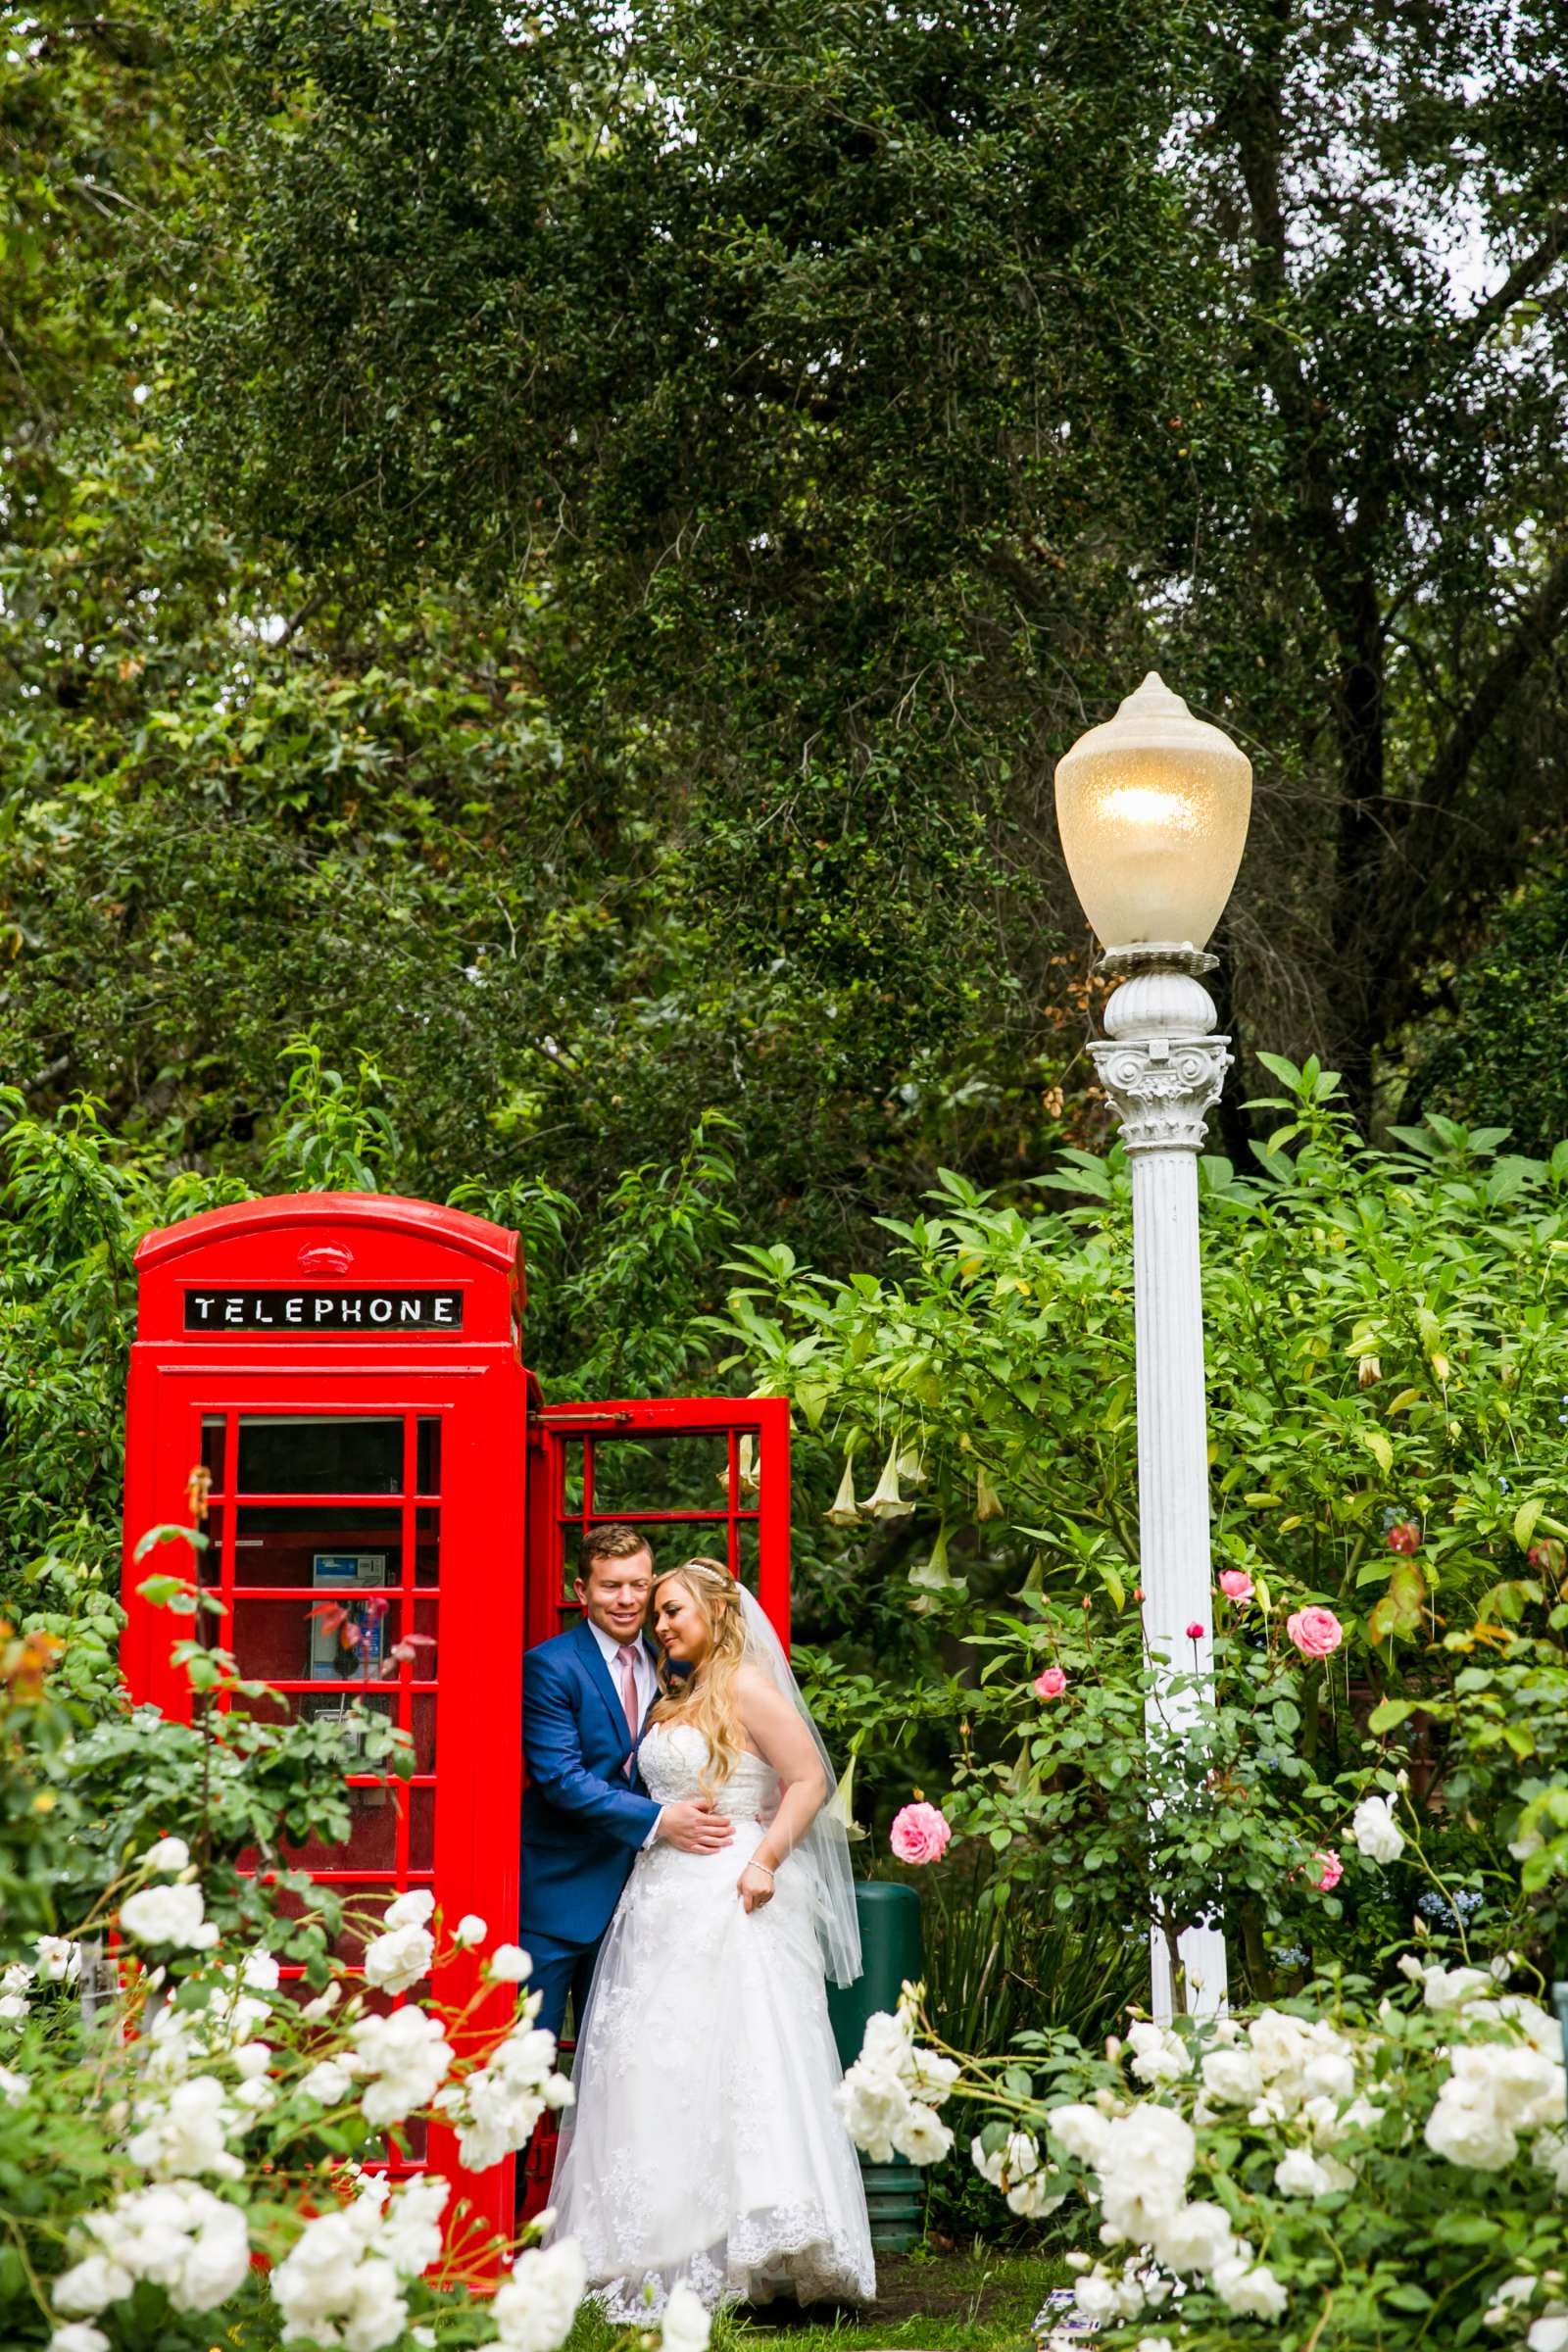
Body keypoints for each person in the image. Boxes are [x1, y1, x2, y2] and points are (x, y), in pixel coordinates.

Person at [548, 1555, 875, 2317]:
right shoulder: (680, 1692)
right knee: (659, 2072)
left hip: (732, 1894)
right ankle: (656, 2246)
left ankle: (764, 2251)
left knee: (743, 2065)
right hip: (657, 1902)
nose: (659, 1623)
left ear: (717, 1615)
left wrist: (764, 1859)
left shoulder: (747, 1685)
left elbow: (808, 1780)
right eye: (656, 1612)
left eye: (673, 1610)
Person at [519, 1525, 735, 2041]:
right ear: (581, 1591)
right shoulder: (550, 1667)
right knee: (529, 2064)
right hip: (559, 1897)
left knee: (623, 2068)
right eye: (610, 1586)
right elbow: (562, 1780)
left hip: (648, 1899)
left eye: (639, 1585)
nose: (627, 1600)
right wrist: (661, 1820)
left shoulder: (675, 1661)